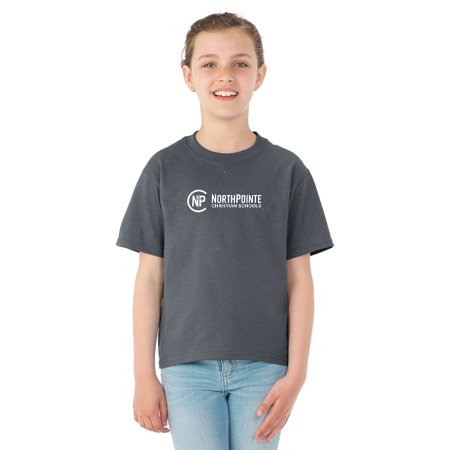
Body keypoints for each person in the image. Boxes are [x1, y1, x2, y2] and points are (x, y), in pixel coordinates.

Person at [115, 11, 334, 450]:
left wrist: (297, 374)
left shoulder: (287, 171)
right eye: (209, 63)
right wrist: (143, 375)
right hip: (185, 368)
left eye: (240, 63)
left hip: (264, 367)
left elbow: (300, 281)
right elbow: (150, 280)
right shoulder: (164, 169)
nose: (225, 75)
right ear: (188, 76)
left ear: (260, 75)